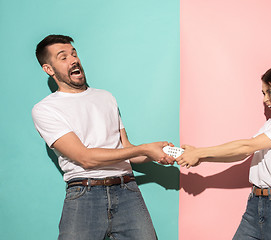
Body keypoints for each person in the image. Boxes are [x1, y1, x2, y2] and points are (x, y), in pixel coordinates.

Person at [32, 34, 175, 240]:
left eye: (74, 54)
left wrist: (155, 153)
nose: (73, 60)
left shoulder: (106, 97)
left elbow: (126, 150)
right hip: (84, 194)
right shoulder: (45, 109)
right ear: (49, 69)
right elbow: (85, 158)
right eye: (63, 57)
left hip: (127, 191)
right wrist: (144, 148)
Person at [176, 62, 271, 240]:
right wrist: (200, 156)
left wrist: (200, 152)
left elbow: (247, 146)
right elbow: (243, 152)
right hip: (255, 206)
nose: (265, 99)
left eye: (270, 92)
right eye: (264, 93)